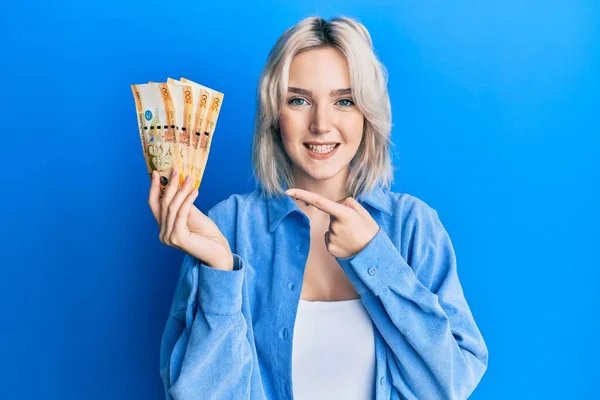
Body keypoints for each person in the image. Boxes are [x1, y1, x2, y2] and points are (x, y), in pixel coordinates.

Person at [150, 15, 489, 400]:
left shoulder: (413, 226)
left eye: (344, 101)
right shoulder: (228, 226)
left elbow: (451, 385)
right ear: (274, 115)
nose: (321, 124)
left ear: (368, 114)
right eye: (299, 100)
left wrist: (373, 257)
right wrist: (221, 274)